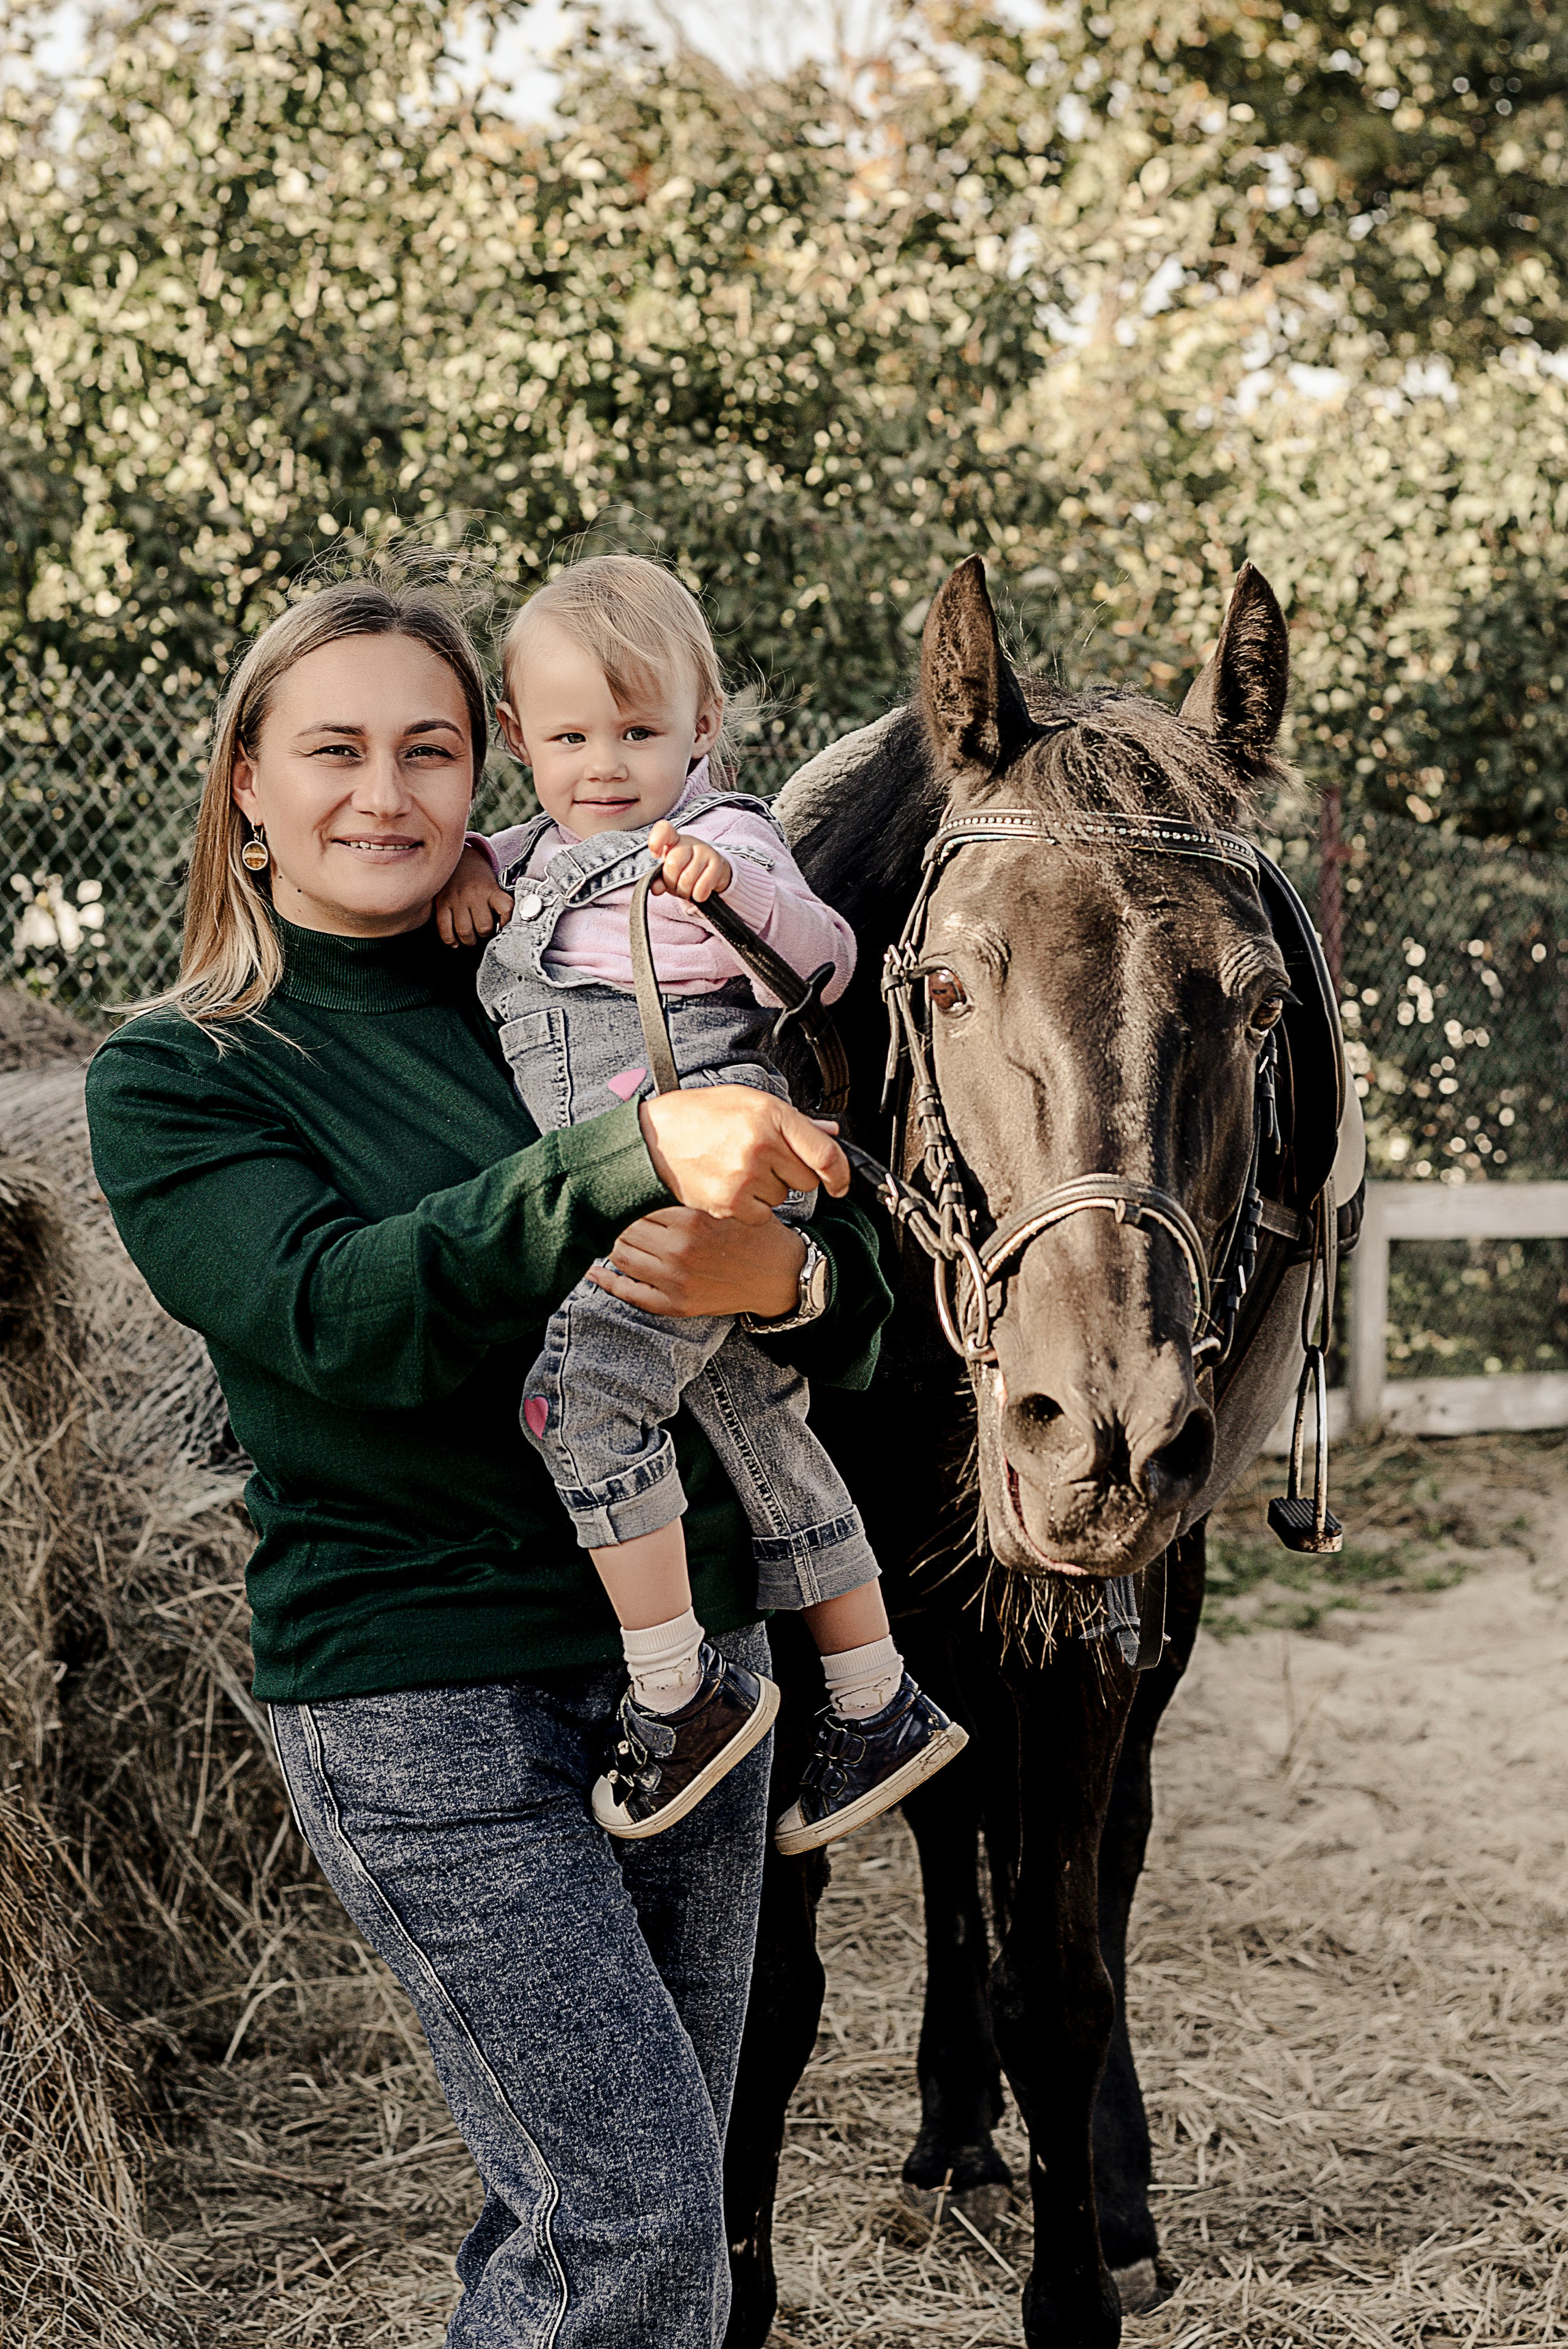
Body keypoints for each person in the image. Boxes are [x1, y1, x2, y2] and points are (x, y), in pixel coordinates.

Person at [83, 570, 895, 2348]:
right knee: (639, 2207)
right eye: (336, 749)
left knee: (618, 2198)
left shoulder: (564, 962)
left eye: (429, 749)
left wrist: (801, 1278)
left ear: (490, 773)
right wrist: (627, 1158)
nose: (385, 793)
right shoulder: (185, 1071)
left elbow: (862, 1324)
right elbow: (340, 1320)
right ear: (244, 779)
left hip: (695, 1678)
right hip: (416, 1687)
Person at [434, 556, 965, 1852]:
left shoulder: (723, 838)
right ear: (515, 738)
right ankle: (876, 1696)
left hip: (702, 1165)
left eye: (639, 731)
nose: (604, 764)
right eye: (568, 735)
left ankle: (678, 1689)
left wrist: (738, 899)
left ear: (703, 726)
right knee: (761, 1431)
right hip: (613, 1179)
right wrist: (461, 873)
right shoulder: (524, 848)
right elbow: (489, 873)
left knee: (582, 1399)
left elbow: (829, 960)